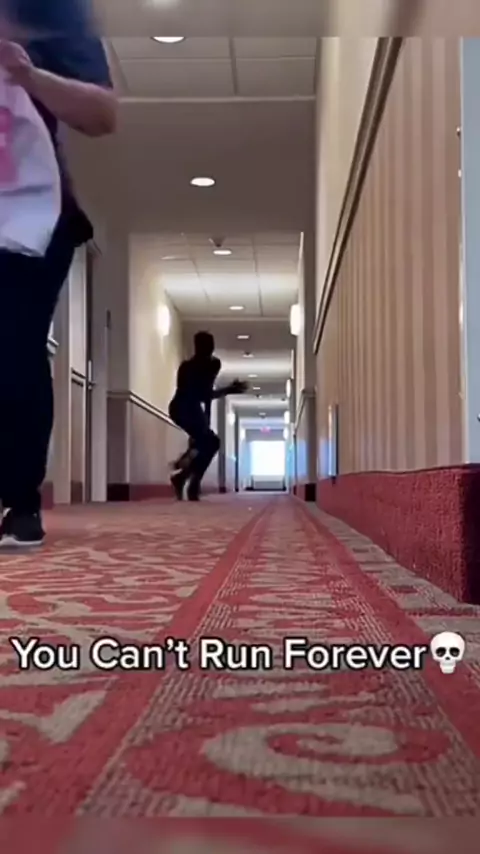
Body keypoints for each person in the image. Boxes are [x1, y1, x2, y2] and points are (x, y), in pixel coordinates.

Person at [0, 1, 117, 547]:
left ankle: (20, 500)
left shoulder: (54, 12)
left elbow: (102, 115)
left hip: (31, 215)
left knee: (14, 350)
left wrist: (26, 72)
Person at [168, 331, 247, 501]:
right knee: (208, 442)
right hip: (181, 408)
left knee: (209, 442)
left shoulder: (212, 364)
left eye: (209, 347)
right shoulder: (187, 368)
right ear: (197, 347)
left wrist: (206, 422)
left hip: (192, 408)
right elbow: (202, 394)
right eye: (204, 347)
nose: (208, 350)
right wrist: (228, 390)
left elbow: (206, 394)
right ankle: (188, 479)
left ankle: (185, 476)